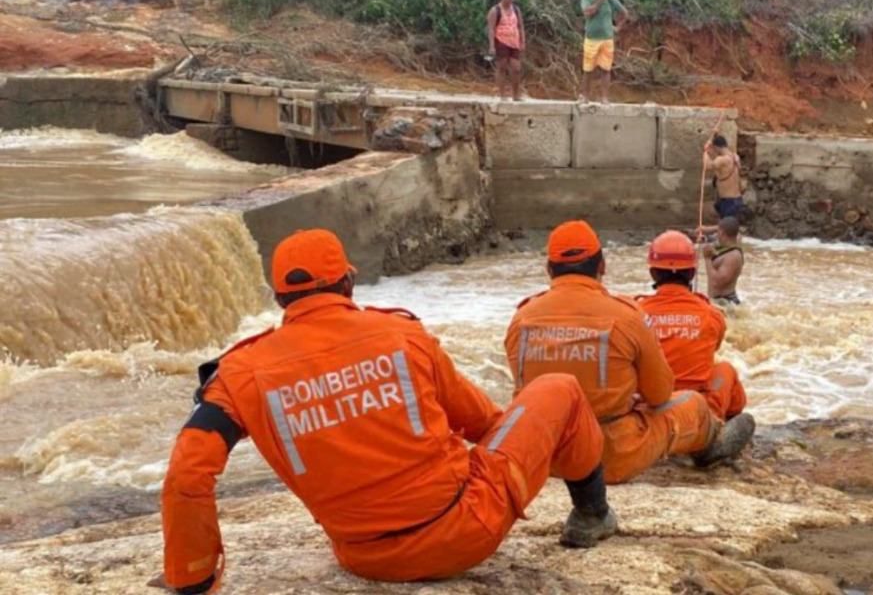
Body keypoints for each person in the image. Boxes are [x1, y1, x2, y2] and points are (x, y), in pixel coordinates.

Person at [158, 229, 615, 593]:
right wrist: (530, 450)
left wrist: (191, 576)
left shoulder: (240, 373)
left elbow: (187, 473)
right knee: (559, 388)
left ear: (280, 300)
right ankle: (592, 515)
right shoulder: (401, 336)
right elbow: (482, 423)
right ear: (349, 283)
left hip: (364, 557)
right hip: (463, 530)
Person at [505, 220, 754, 484]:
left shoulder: (521, 318)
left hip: (545, 452)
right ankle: (709, 444)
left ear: (548, 269)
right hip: (611, 455)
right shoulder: (628, 316)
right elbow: (659, 394)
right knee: (693, 404)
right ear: (602, 266)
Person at [636, 231, 749, 420]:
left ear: (653, 272)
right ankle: (722, 428)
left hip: (649, 412)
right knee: (725, 370)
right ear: (692, 272)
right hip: (697, 412)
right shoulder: (712, 314)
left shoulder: (635, 313)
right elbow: (713, 347)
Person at [580, 0, 629, 103]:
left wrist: (617, 27)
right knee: (588, 69)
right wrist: (600, 1)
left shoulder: (612, 0)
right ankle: (584, 96)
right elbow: (588, 13)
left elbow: (625, 13)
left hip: (607, 39)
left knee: (606, 69)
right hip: (591, 39)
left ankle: (604, 97)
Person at [487, 0, 526, 101]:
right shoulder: (495, 11)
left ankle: (516, 94)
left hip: (514, 41)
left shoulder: (516, 9)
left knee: (516, 68)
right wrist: (491, 46)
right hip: (501, 40)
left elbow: (520, 26)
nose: (511, 0)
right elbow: (491, 29)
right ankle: (502, 94)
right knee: (502, 67)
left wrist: (522, 41)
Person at [703, 216, 744, 306]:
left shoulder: (733, 256)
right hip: (719, 301)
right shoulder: (730, 247)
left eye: (717, 232)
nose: (716, 235)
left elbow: (716, 283)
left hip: (725, 302)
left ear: (721, 233)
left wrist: (707, 259)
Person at [704, 135, 743, 221]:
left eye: (714, 148)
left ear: (717, 147)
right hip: (734, 199)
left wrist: (705, 151)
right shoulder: (735, 156)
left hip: (729, 201)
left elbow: (707, 166)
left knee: (727, 226)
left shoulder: (722, 159)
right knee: (723, 221)